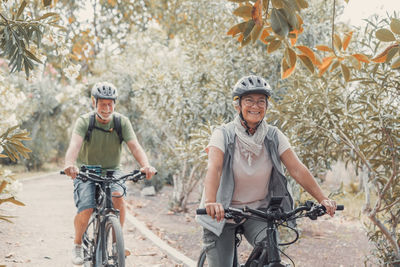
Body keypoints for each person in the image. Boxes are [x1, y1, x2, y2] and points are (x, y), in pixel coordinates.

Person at [195, 75, 337, 267]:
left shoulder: (273, 136)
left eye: (261, 101)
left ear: (267, 106)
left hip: (257, 213)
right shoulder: (223, 134)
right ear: (238, 105)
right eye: (249, 101)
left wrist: (322, 199)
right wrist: (211, 202)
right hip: (222, 213)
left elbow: (297, 169)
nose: (256, 106)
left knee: (271, 253)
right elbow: (215, 167)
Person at [63, 81, 157, 265]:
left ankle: (116, 244)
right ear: (94, 102)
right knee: (87, 207)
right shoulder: (85, 121)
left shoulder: (121, 122)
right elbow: (74, 145)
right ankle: (77, 244)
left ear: (115, 103)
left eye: (110, 103)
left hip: (113, 171)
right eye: (102, 104)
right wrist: (69, 164)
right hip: (86, 171)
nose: (106, 108)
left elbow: (135, 147)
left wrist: (145, 165)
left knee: (118, 197)